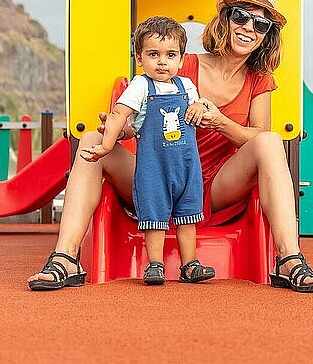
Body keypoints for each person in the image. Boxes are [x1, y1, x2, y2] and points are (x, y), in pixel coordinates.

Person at [28, 0, 313, 293]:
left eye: (261, 23)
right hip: (154, 175)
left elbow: (257, 137)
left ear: (267, 35)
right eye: (240, 16)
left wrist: (220, 121)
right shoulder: (181, 65)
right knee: (90, 140)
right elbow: (144, 119)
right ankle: (65, 258)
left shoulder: (259, 80)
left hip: (212, 185)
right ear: (226, 19)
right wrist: (118, 130)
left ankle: (288, 259)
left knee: (270, 141)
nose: (248, 28)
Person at [80, 16, 215, 285]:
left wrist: (201, 106)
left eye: (170, 55)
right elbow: (120, 113)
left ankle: (190, 265)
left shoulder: (186, 85)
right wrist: (106, 145)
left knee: (188, 216)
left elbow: (200, 106)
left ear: (181, 59)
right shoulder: (141, 86)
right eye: (153, 54)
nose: (162, 61)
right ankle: (155, 264)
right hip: (153, 170)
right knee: (155, 216)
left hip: (187, 167)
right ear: (139, 57)